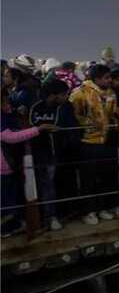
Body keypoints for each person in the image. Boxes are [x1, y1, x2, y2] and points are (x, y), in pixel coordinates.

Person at [1, 89, 57, 236]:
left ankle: (16, 223)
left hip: (10, 162)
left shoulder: (7, 115)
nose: (8, 104)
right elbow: (10, 137)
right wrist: (38, 129)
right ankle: (7, 228)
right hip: (4, 164)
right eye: (5, 101)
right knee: (8, 199)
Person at [68, 64, 118, 225]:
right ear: (96, 79)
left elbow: (112, 114)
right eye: (106, 78)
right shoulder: (80, 93)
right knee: (87, 179)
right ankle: (87, 211)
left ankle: (100, 207)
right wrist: (86, 125)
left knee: (103, 177)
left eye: (110, 77)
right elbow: (73, 115)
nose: (109, 80)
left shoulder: (110, 94)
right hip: (87, 141)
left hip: (105, 140)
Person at [28, 79, 72, 231]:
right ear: (54, 95)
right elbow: (30, 127)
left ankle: (53, 214)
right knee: (45, 186)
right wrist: (43, 129)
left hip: (58, 152)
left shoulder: (63, 108)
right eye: (64, 94)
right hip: (40, 153)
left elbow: (66, 127)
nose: (67, 97)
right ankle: (48, 217)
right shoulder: (35, 107)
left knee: (53, 185)